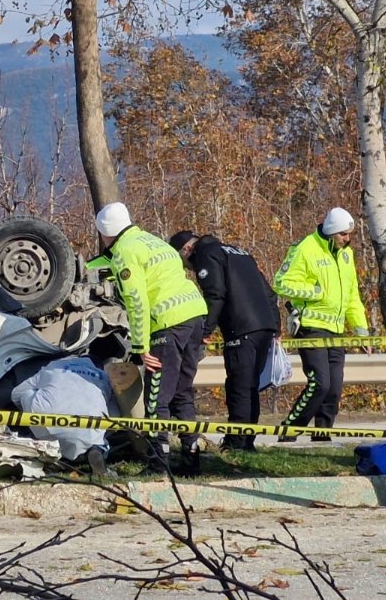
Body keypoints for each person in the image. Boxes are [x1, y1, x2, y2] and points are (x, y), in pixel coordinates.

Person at [93, 203, 208, 474]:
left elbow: (137, 302)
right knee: (182, 392)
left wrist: (141, 347)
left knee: (157, 399)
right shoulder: (154, 242)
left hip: (167, 324)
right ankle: (192, 459)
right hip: (194, 316)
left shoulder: (124, 252)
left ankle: (159, 463)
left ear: (106, 233)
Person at [169, 231, 280, 452]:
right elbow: (269, 293)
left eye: (183, 263)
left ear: (186, 250)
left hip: (241, 327)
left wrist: (205, 329)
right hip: (264, 325)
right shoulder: (239, 252)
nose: (188, 269)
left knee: (239, 386)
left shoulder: (205, 254)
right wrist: (275, 325)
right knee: (250, 386)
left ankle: (237, 443)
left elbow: (215, 294)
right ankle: (247, 441)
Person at [272, 207, 370, 442]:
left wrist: (361, 329)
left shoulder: (346, 255)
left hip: (336, 330)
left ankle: (322, 437)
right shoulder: (305, 249)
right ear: (332, 232)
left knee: (334, 388)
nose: (348, 240)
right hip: (310, 326)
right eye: (343, 235)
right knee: (320, 384)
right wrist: (314, 292)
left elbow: (352, 295)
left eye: (349, 235)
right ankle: (290, 429)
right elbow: (280, 283)